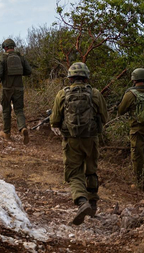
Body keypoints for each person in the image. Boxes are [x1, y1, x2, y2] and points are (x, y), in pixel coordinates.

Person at [50, 62, 108, 225]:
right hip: (91, 139)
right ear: (86, 77)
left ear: (70, 78)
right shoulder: (95, 93)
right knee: (91, 170)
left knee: (74, 172)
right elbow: (104, 117)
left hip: (72, 140)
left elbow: (54, 120)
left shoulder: (62, 94)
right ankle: (93, 204)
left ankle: (82, 202)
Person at [0, 38, 32, 144]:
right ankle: (22, 128)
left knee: (6, 110)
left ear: (5, 48)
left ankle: (6, 132)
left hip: (7, 88)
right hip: (19, 88)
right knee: (19, 110)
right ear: (13, 47)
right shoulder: (20, 57)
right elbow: (29, 71)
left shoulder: (2, 58)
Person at [118, 68, 144, 190]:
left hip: (137, 129)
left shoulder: (130, 94)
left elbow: (121, 111)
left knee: (137, 154)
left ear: (134, 79)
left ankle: (138, 181)